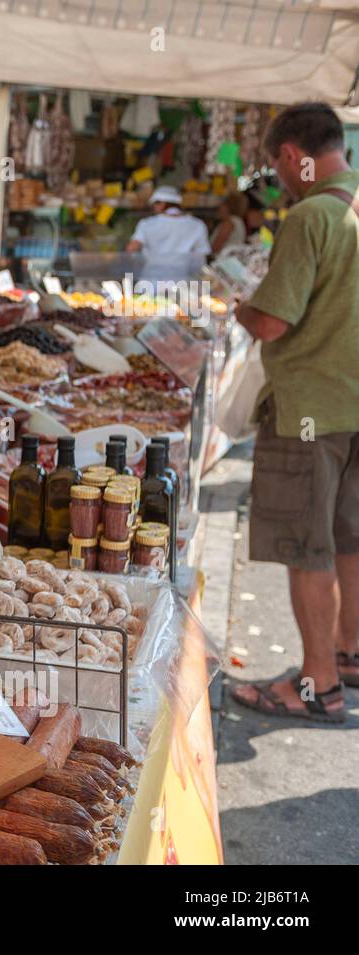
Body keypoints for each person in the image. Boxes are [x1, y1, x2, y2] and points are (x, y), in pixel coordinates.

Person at [229, 101, 359, 723]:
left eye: (275, 165)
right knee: (348, 540)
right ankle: (349, 653)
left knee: (307, 548)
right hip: (355, 407)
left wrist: (241, 309)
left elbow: (274, 321)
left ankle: (317, 686)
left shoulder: (310, 216)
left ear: (291, 155)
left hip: (309, 410)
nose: (277, 178)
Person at [125, 184, 212, 258]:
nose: (154, 208)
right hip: (182, 276)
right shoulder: (197, 225)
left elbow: (131, 249)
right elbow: (202, 255)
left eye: (155, 204)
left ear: (162, 203)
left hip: (151, 276)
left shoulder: (147, 224)